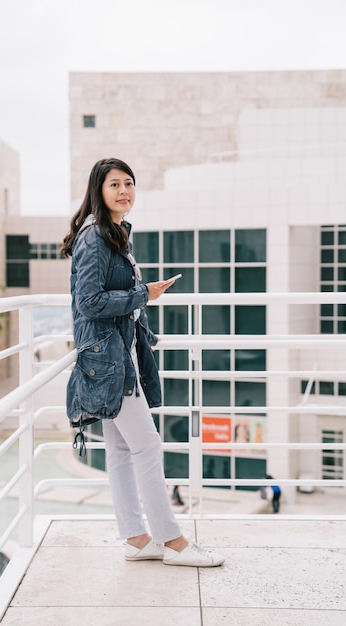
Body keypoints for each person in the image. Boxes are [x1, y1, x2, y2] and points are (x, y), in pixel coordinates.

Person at [61, 157, 224, 568]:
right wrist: (144, 294)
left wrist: (143, 329)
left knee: (119, 450)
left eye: (129, 183)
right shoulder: (95, 237)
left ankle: (136, 538)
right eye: (114, 184)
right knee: (148, 446)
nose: (124, 191)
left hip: (116, 355)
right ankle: (172, 542)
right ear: (98, 190)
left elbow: (110, 301)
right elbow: (89, 302)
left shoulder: (114, 234)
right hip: (108, 361)